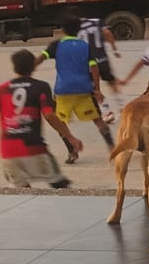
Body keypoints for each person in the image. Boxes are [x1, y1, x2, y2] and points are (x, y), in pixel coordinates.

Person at [0, 50, 79, 188]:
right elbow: (49, 115)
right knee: (60, 186)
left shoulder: (1, 89)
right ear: (33, 66)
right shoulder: (41, 87)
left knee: (22, 191)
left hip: (8, 151)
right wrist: (70, 137)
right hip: (34, 148)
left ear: (14, 67)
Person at [36, 15, 113, 164]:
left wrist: (28, 68)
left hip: (63, 91)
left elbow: (41, 58)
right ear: (79, 30)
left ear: (63, 30)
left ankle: (72, 152)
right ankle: (112, 148)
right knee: (98, 120)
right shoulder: (85, 46)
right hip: (84, 89)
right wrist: (97, 89)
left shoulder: (56, 45)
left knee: (59, 121)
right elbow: (94, 67)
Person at [78, 16, 121, 122]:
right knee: (111, 81)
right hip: (102, 58)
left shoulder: (75, 26)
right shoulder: (97, 21)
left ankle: (106, 110)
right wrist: (114, 48)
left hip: (88, 60)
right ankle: (121, 105)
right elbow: (107, 33)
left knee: (94, 87)